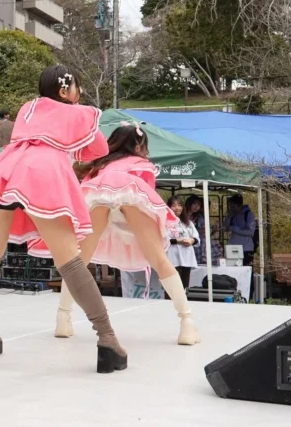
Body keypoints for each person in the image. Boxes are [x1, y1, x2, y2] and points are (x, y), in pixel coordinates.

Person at [0, 65, 128, 373]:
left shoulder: (28, 107)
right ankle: (107, 339)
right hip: (42, 171)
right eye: (76, 87)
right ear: (64, 91)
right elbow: (98, 148)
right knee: (70, 261)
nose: (80, 92)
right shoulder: (78, 112)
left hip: (5, 168)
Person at [27, 122, 200, 346]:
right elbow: (147, 191)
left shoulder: (100, 165)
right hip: (132, 191)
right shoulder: (140, 164)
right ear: (138, 145)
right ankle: (186, 321)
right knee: (158, 258)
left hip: (99, 193)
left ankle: (63, 316)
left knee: (78, 261)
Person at [166, 195, 200, 292]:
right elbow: (164, 239)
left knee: (184, 286)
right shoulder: (165, 222)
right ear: (169, 207)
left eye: (179, 205)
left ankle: (183, 305)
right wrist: (179, 241)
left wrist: (192, 240)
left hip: (186, 257)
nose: (177, 208)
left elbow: (197, 238)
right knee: (172, 286)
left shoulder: (187, 222)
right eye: (174, 205)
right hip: (173, 257)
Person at [223, 194, 256, 266]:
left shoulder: (248, 214)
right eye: (230, 207)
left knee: (246, 270)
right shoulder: (232, 215)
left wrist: (235, 229)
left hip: (246, 249)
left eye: (233, 207)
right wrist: (229, 216)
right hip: (233, 248)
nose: (231, 209)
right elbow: (226, 227)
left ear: (239, 205)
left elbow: (251, 232)